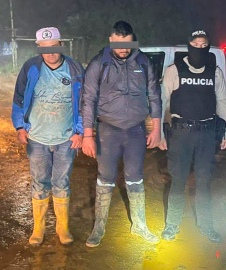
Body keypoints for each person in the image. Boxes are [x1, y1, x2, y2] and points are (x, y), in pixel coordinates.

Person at [81, 21, 162, 247]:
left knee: (136, 178)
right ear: (111, 40)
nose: (124, 49)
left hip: (136, 130)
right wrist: (88, 135)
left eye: (127, 44)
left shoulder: (144, 62)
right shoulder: (100, 63)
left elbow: (155, 96)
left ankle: (140, 225)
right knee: (105, 179)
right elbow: (88, 100)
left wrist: (157, 128)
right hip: (108, 131)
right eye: (119, 44)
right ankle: (99, 228)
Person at [12, 27, 84, 246]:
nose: (50, 52)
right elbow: (18, 98)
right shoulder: (31, 68)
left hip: (65, 138)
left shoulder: (74, 68)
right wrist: (20, 127)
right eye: (45, 48)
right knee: (39, 183)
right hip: (37, 138)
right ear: (39, 48)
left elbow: (84, 102)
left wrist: (80, 131)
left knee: (62, 183)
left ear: (61, 44)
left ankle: (62, 228)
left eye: (54, 46)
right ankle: (39, 228)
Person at [159, 30, 226, 243]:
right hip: (182, 133)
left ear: (208, 46)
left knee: (204, 181)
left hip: (207, 133)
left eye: (204, 44)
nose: (200, 48)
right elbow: (163, 101)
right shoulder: (174, 70)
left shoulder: (215, 71)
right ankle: (172, 224)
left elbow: (222, 102)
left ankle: (206, 225)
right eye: (196, 44)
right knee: (178, 180)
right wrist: (160, 132)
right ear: (189, 46)